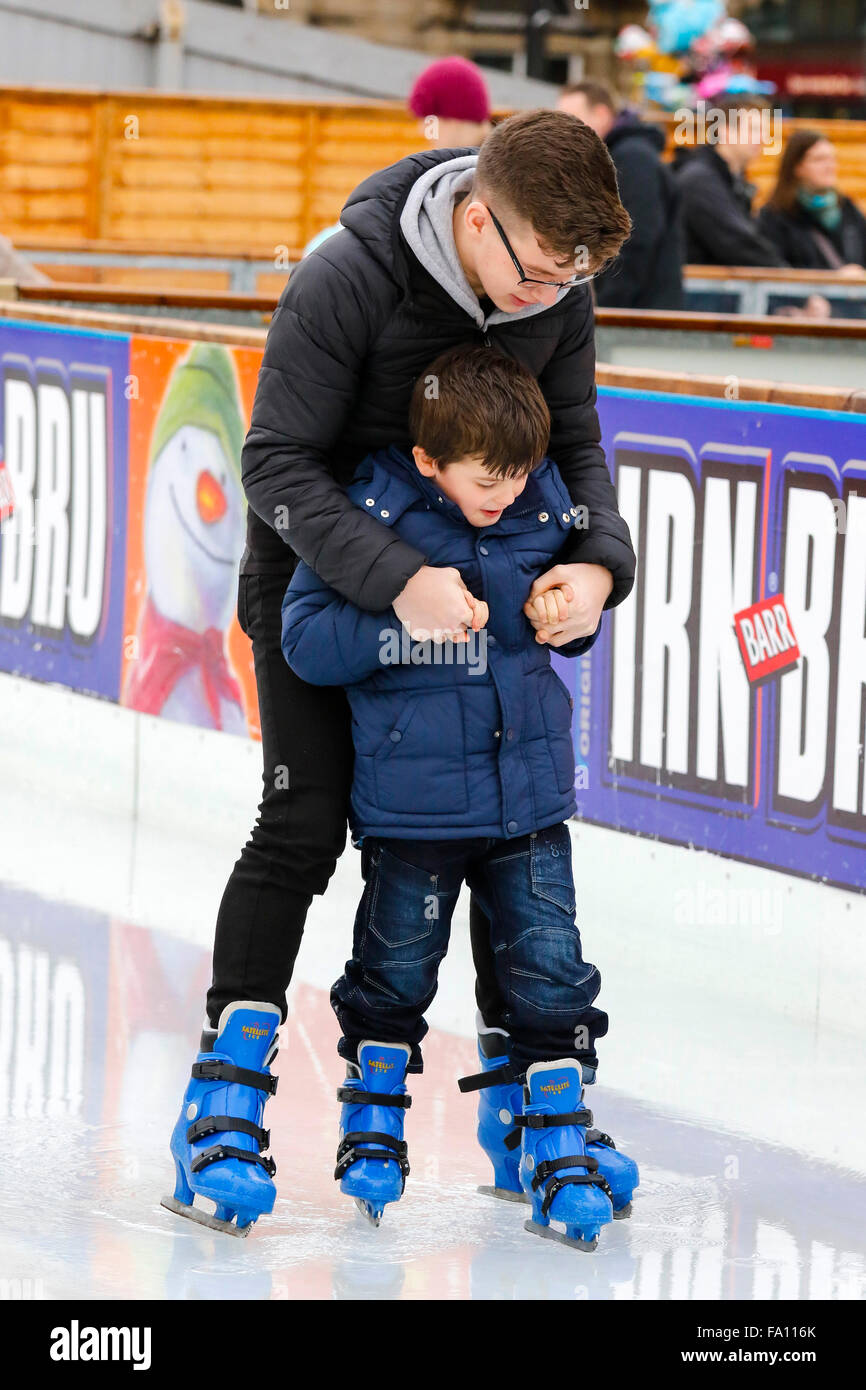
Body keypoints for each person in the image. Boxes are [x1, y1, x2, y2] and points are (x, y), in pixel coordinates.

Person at [163, 109, 636, 1236]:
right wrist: (396, 581)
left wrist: (598, 565)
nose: (549, 295)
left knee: (504, 830)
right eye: (534, 271)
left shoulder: (555, 292)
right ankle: (219, 1107)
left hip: (475, 598)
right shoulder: (347, 277)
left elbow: (575, 450)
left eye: (569, 278)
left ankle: (524, 1105)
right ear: (477, 221)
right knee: (304, 825)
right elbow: (272, 462)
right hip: (322, 594)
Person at [280, 346, 639, 1246]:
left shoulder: (545, 501)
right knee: (396, 970)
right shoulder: (374, 514)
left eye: (520, 476)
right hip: (415, 810)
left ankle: (552, 1136)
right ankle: (372, 1115)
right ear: (431, 459)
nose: (509, 496)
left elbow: (580, 591)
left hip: (530, 803)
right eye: (490, 479)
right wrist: (397, 610)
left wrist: (574, 609)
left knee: (551, 972)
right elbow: (306, 641)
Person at [558, 80, 683, 309]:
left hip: (641, 311)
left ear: (602, 113)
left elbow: (637, 236)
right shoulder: (619, 155)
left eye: (573, 118)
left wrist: (609, 303)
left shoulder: (631, 158)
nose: (566, 131)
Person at [675, 96, 787, 267]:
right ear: (724, 130)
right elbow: (739, 245)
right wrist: (789, 278)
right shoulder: (700, 181)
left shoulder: (730, 182)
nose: (763, 139)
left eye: (764, 131)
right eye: (753, 129)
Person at [757, 130, 866, 275]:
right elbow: (775, 270)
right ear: (797, 167)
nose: (830, 166)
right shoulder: (775, 217)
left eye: (832, 159)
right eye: (819, 159)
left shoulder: (847, 209)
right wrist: (832, 278)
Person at [408, 55, 493, 151]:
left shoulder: (494, 163)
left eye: (430, 122)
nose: (422, 131)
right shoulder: (494, 158)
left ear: (454, 120)